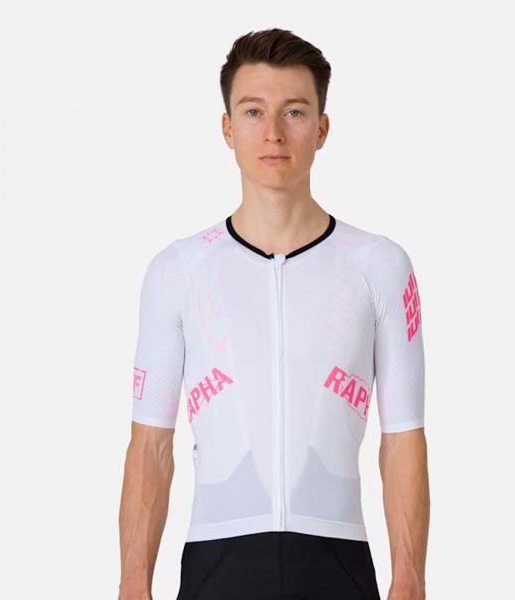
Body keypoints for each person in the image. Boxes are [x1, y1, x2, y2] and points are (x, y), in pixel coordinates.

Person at [118, 27, 430, 600]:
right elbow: (151, 445)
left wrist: (410, 578)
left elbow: (403, 437)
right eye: (253, 111)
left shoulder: (380, 265)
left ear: (322, 128)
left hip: (337, 563)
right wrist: (133, 583)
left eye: (294, 112)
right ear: (227, 128)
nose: (273, 133)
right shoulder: (177, 271)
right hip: (217, 563)